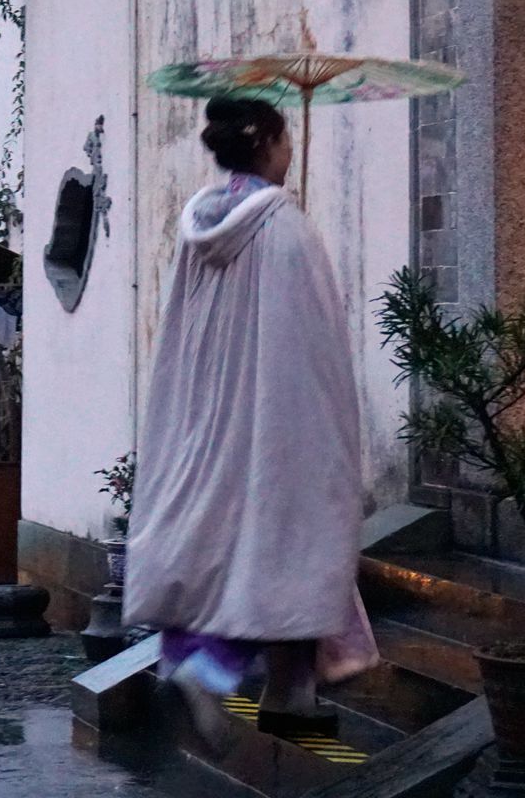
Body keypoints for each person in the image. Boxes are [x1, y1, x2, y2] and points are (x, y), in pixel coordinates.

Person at [123, 95, 375, 749]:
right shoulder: (284, 229)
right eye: (285, 139)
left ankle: (287, 691)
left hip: (209, 418)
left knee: (251, 549)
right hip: (278, 421)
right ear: (265, 142)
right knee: (290, 541)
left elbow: (186, 332)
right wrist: (334, 437)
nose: (291, 151)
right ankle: (223, 673)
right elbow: (312, 345)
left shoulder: (197, 225)